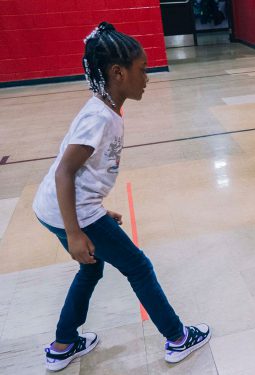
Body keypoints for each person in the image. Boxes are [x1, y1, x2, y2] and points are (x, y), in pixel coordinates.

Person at [33, 22, 210, 372]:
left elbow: (84, 174)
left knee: (91, 269)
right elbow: (65, 171)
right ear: (118, 72)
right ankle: (177, 338)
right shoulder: (99, 117)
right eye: (141, 70)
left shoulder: (108, 109)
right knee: (138, 267)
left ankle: (63, 344)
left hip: (61, 208)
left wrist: (97, 212)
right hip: (71, 212)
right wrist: (75, 231)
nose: (147, 77)